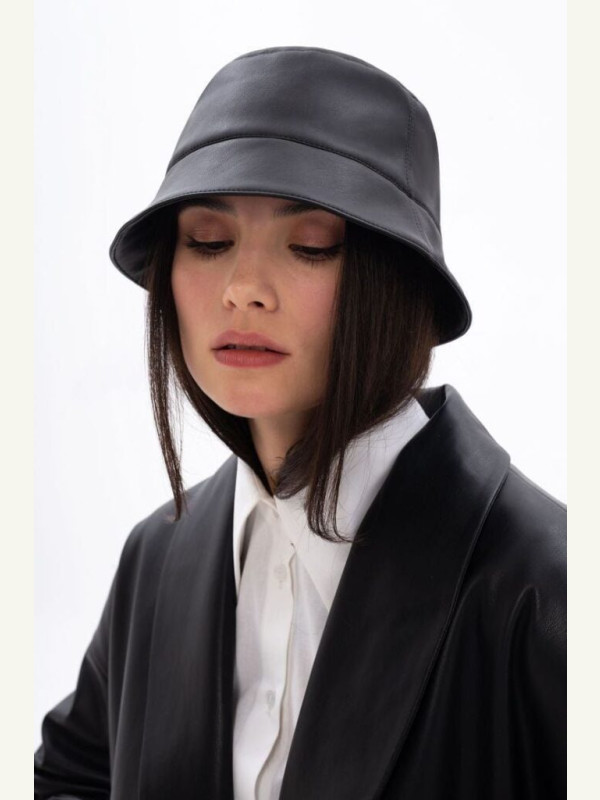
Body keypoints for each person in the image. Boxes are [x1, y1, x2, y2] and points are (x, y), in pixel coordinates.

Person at [34, 46, 566, 800]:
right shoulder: (156, 559)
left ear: (398, 281)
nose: (244, 288)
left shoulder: (548, 585)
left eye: (311, 246)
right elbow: (67, 776)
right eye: (208, 241)